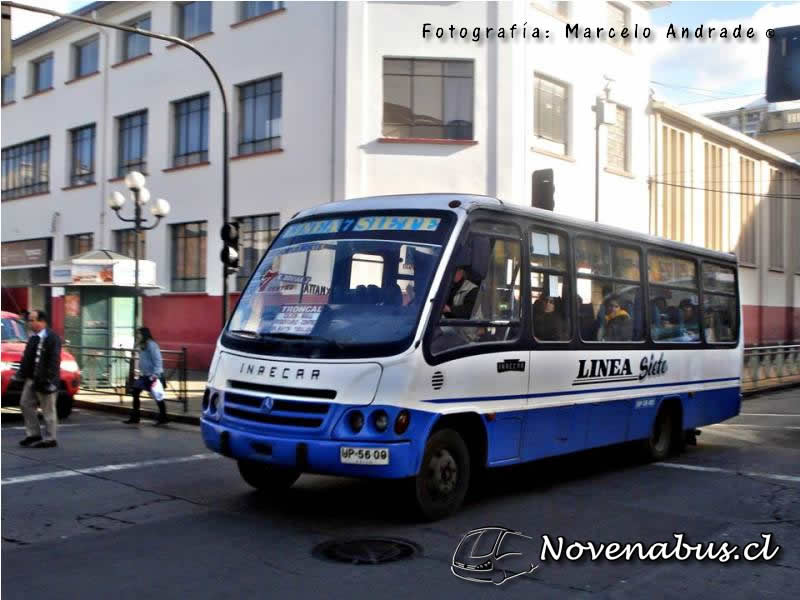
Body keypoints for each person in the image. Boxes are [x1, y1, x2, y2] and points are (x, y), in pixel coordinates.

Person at [16, 310, 61, 448]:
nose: (29, 323)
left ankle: (50, 438)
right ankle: (33, 434)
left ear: (41, 321)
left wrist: (49, 379)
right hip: (31, 378)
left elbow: (54, 360)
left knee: (48, 409)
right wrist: (21, 373)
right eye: (29, 320)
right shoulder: (33, 337)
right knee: (25, 404)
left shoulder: (52, 337)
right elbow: (27, 357)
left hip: (46, 379)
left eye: (32, 320)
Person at [124, 327, 167, 425]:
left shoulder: (152, 345)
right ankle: (135, 417)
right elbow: (136, 355)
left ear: (144, 334)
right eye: (137, 334)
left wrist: (156, 374)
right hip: (144, 375)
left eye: (139, 334)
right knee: (135, 392)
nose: (137, 336)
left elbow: (158, 359)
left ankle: (163, 417)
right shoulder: (142, 345)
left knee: (158, 396)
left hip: (153, 375)